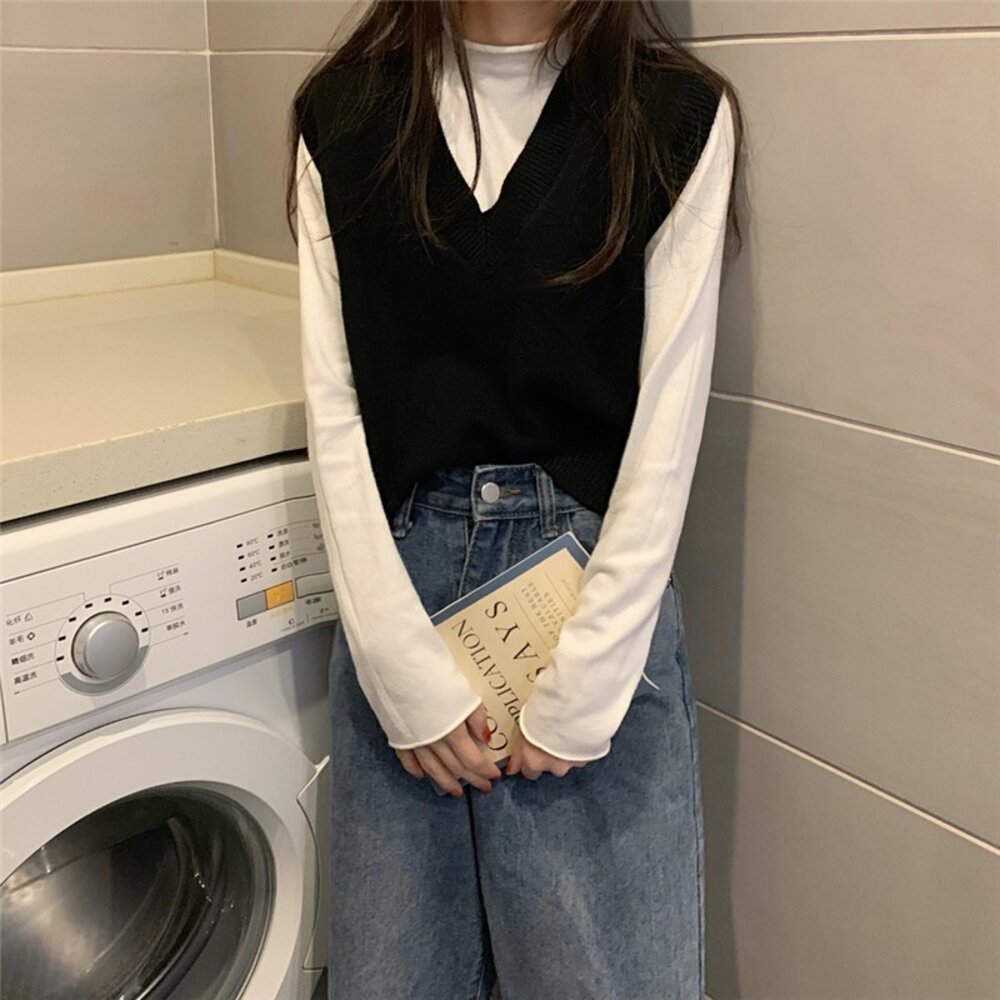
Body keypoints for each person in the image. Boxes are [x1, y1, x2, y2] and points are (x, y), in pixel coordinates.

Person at [288, 2, 743, 997]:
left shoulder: (670, 117)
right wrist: (397, 670)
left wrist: (585, 684)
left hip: (589, 606)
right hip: (398, 597)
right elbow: (336, 406)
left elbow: (666, 427)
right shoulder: (343, 115)